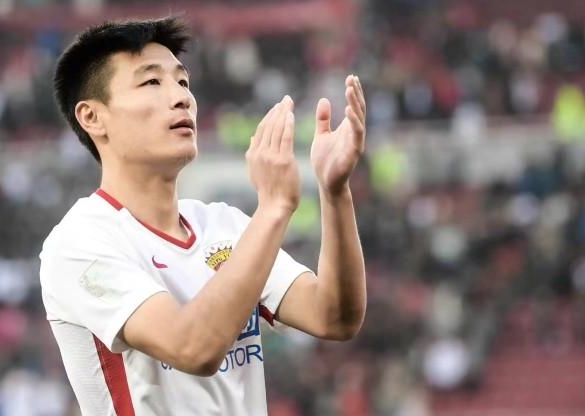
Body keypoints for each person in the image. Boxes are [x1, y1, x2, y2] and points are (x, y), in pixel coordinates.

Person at [40, 16, 367, 416]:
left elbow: (334, 316)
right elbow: (193, 348)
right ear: (92, 117)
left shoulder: (225, 225)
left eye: (182, 81)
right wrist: (273, 207)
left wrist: (335, 192)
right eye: (151, 82)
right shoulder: (79, 243)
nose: (181, 97)